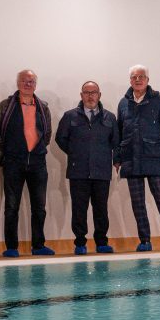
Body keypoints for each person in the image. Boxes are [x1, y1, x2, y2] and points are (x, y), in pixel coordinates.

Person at [115, 64, 160, 252]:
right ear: (130, 80)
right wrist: (117, 159)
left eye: (141, 76)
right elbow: (118, 134)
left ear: (148, 80)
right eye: (134, 77)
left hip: (154, 158)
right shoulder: (123, 103)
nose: (137, 80)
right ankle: (145, 241)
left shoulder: (159, 102)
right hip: (130, 160)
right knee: (138, 203)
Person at [0, 69, 54, 257]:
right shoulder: (5, 106)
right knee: (11, 206)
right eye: (25, 81)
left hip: (38, 163)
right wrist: (10, 150)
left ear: (36, 84)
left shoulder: (43, 107)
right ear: (18, 83)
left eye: (32, 81)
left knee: (39, 208)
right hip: (13, 163)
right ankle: (11, 247)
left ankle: (38, 246)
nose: (28, 84)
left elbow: (47, 135)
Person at [55, 81, 119, 255]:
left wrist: (117, 161)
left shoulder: (110, 117)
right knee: (79, 209)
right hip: (78, 172)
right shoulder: (70, 116)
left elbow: (116, 142)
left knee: (101, 209)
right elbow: (60, 138)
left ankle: (101, 243)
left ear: (99, 95)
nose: (90, 95)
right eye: (87, 92)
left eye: (94, 92)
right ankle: (80, 243)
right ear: (81, 95)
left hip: (101, 172)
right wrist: (75, 153)